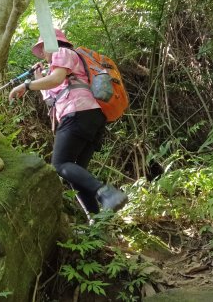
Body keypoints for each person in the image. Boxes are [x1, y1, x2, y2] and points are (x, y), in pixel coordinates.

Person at [8, 28, 128, 218]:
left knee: (60, 164)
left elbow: (55, 80)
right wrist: (39, 79)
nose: (44, 54)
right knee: (76, 174)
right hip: (91, 117)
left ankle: (106, 192)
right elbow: (52, 96)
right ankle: (96, 222)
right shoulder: (63, 67)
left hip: (78, 113)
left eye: (43, 49)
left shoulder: (62, 52)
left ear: (51, 44)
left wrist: (26, 85)